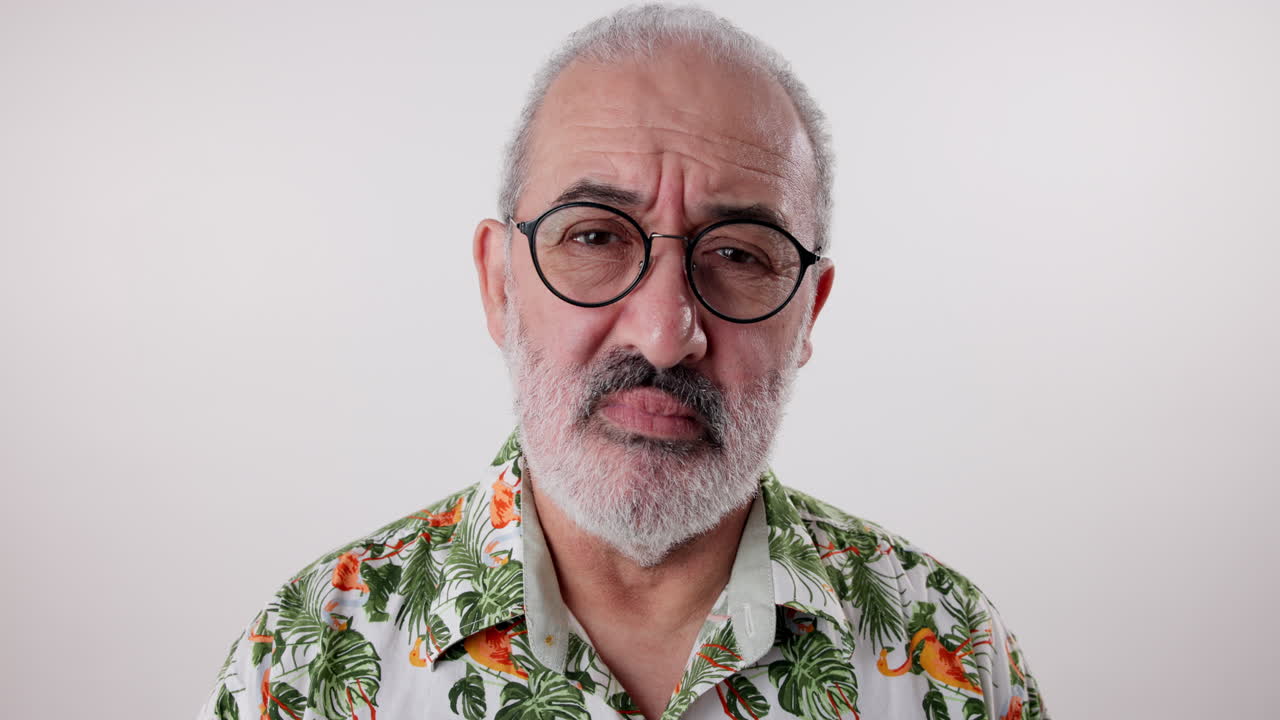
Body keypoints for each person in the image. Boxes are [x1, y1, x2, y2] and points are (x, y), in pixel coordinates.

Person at [198, 6, 1048, 720]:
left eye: (741, 255)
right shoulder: (308, 660)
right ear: (499, 284)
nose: (665, 332)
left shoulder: (955, 657)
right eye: (596, 237)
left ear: (809, 314)